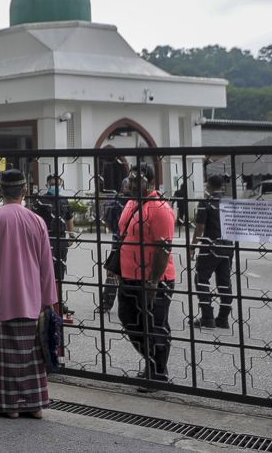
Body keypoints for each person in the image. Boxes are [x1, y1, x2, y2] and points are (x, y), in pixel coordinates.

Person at [0, 169, 58, 419]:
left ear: (1, 191)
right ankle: (34, 405)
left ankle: (9, 406)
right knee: (32, 356)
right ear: (24, 191)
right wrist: (48, 300)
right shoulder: (37, 221)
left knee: (5, 355)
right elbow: (46, 265)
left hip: (3, 297)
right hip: (32, 298)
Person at [116, 163, 176, 392]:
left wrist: (153, 281)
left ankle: (158, 372)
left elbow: (163, 248)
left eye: (136, 180)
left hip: (154, 279)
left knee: (154, 325)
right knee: (129, 319)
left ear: (150, 182)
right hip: (129, 275)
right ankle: (151, 362)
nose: (131, 184)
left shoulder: (159, 208)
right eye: (130, 179)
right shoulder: (132, 203)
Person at [193, 174, 233, 329]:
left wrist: (192, 246)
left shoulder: (206, 201)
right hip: (227, 246)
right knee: (224, 282)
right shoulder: (229, 201)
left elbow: (200, 227)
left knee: (201, 279)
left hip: (210, 246)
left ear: (208, 185)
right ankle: (223, 318)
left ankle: (207, 316)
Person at [33, 175, 75, 282]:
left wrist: (71, 235)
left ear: (61, 185)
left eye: (57, 184)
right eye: (52, 184)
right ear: (46, 185)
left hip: (61, 239)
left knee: (60, 270)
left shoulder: (64, 200)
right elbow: (33, 220)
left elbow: (69, 218)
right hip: (46, 238)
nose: (55, 186)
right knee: (45, 269)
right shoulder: (41, 200)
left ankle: (58, 295)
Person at [97, 177, 130, 313]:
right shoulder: (118, 202)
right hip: (120, 242)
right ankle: (107, 302)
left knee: (120, 274)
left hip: (123, 241)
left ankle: (109, 303)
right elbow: (109, 222)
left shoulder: (119, 201)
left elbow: (108, 222)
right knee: (113, 273)